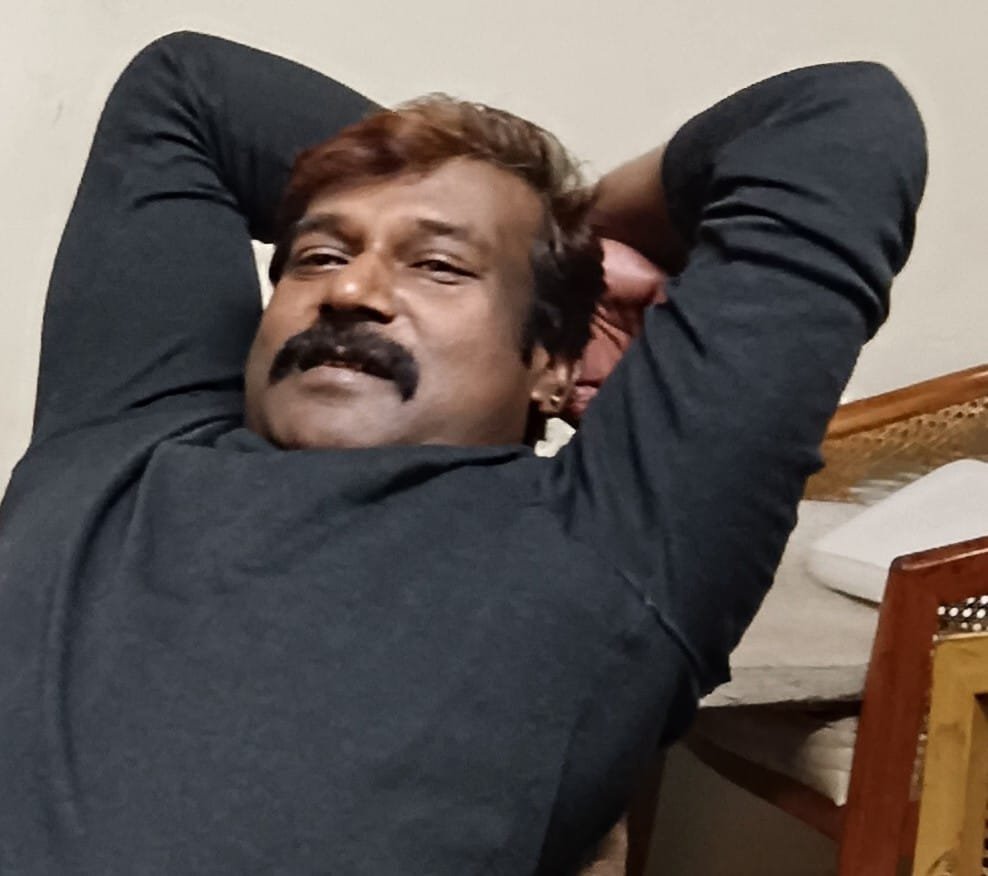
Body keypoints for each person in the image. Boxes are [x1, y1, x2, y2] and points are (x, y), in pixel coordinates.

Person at [0, 31, 925, 875]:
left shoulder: (619, 537)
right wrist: (528, 227)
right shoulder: (126, 434)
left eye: (439, 266)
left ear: (551, 363)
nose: (352, 289)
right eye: (316, 256)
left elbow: (838, 122)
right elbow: (187, 88)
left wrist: (568, 236)